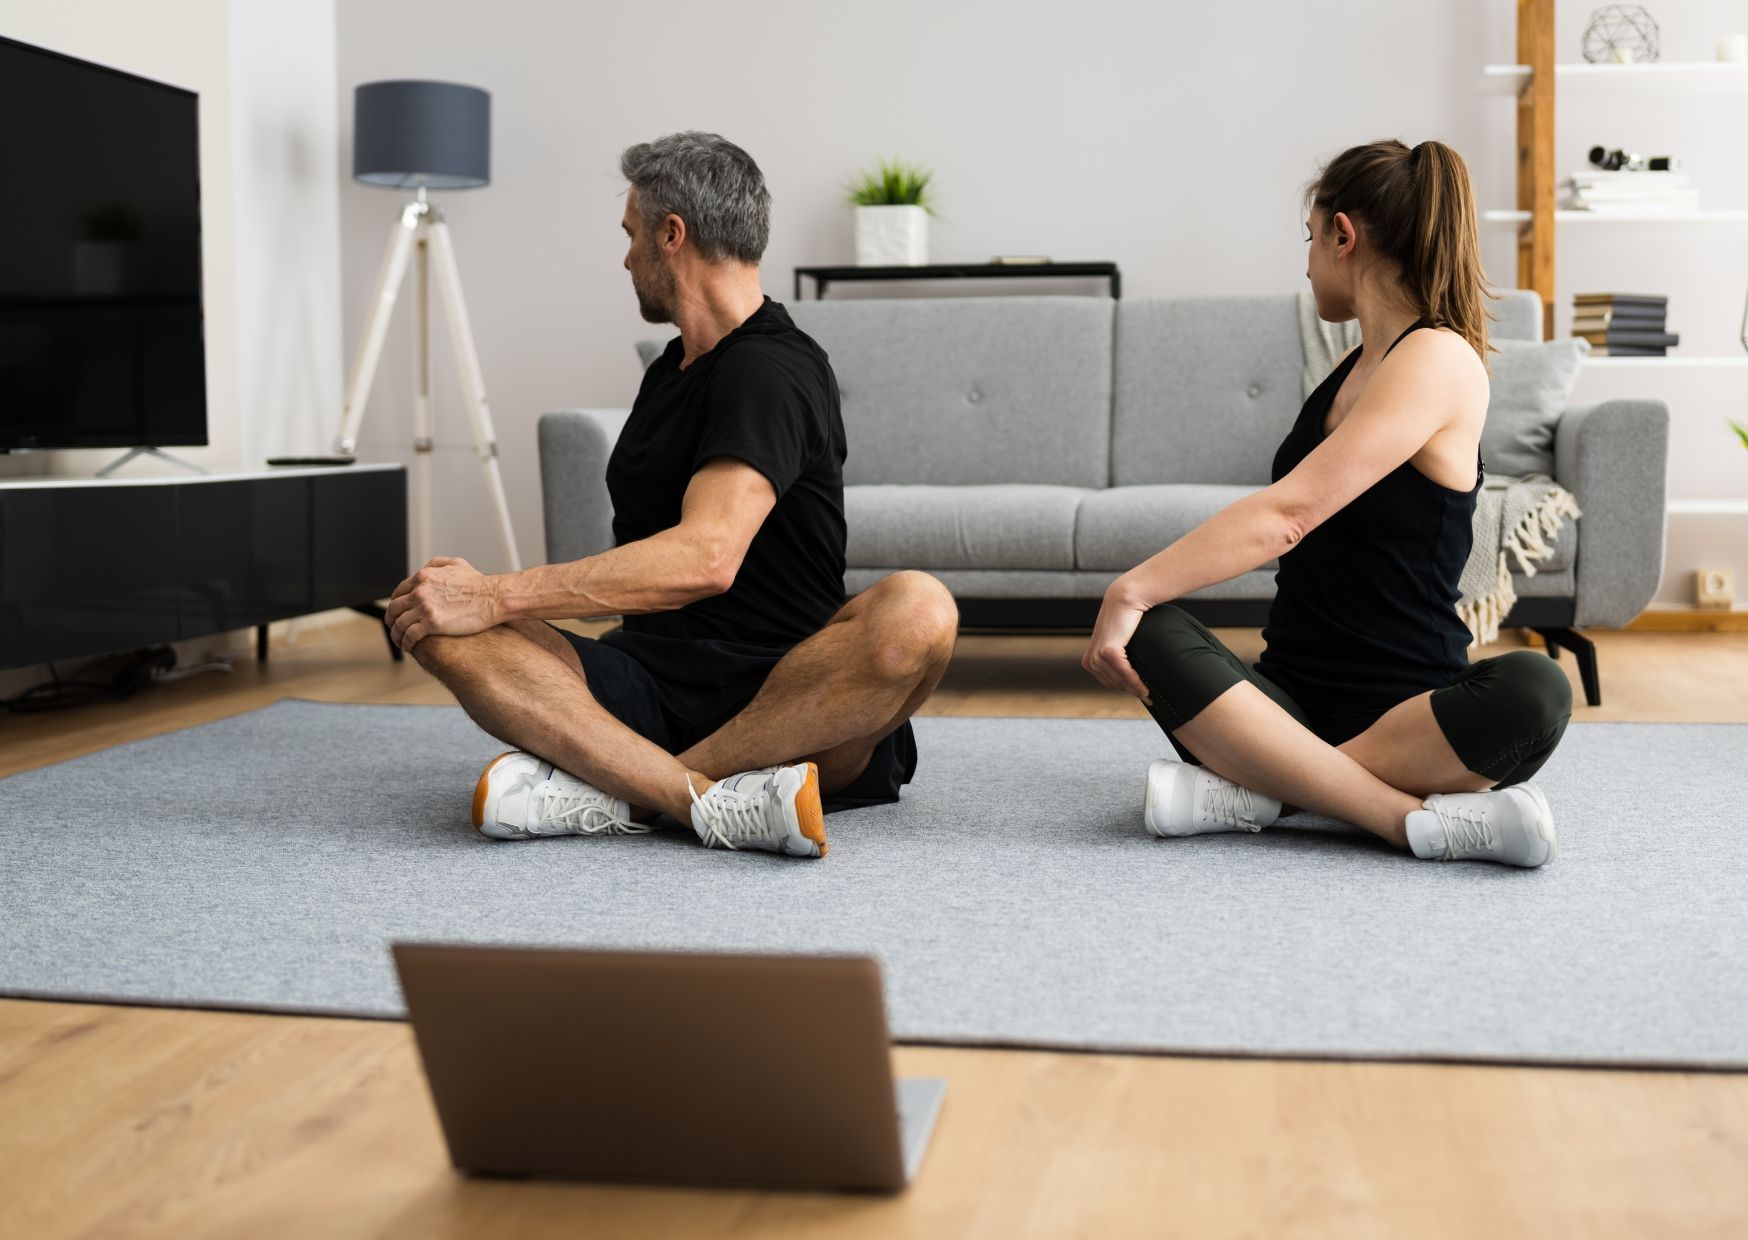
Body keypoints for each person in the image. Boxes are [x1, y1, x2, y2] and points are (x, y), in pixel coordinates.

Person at [384, 131, 958, 859]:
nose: (626, 258)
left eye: (631, 234)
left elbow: (705, 559)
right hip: (648, 682)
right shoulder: (670, 371)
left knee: (921, 608)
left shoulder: (772, 369)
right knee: (430, 609)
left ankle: (634, 791)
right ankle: (704, 801)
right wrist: (470, 602)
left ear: (671, 234)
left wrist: (496, 594)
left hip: (791, 698)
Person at [1082, 139, 1571, 868]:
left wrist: (1127, 588)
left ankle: (1267, 789)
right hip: (1280, 703)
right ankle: (1403, 818)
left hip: (1412, 718)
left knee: (1537, 690)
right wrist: (1139, 606)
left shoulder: (1438, 357)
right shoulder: (1352, 364)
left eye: (1309, 238)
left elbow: (1289, 515)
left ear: (1344, 235)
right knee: (1152, 633)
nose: (1307, 261)